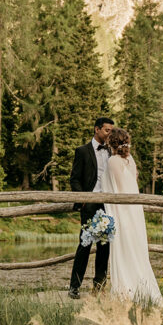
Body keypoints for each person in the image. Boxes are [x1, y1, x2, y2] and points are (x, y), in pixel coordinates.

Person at [105, 127, 163, 307]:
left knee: (124, 249)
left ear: (111, 142)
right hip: (134, 211)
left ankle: (126, 291)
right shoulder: (130, 160)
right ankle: (139, 288)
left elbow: (118, 190)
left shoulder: (113, 161)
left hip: (123, 211)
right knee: (135, 250)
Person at [68, 117, 114, 299]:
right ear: (97, 129)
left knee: (104, 247)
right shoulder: (82, 151)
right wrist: (83, 198)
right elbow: (74, 179)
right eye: (106, 130)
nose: (109, 133)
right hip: (89, 204)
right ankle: (74, 287)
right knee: (84, 245)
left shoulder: (112, 152)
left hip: (108, 205)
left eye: (111, 130)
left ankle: (99, 287)